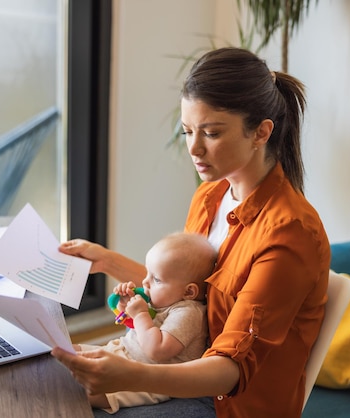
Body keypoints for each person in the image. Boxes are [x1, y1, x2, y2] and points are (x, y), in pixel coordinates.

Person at [52, 47, 330, 418]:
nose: (194, 149)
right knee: (44, 377)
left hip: (223, 401)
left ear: (261, 132)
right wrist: (106, 260)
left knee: (60, 406)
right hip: (176, 368)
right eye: (187, 131)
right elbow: (187, 294)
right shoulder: (211, 195)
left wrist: (131, 376)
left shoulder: (289, 235)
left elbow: (230, 371)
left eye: (212, 133)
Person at [77, 232, 216, 414]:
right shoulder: (165, 300)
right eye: (148, 273)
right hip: (123, 353)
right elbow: (138, 329)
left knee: (81, 392)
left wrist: (141, 313)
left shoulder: (189, 313)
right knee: (70, 350)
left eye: (156, 279)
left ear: (189, 292)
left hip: (145, 379)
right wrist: (126, 306)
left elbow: (156, 349)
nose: (145, 282)